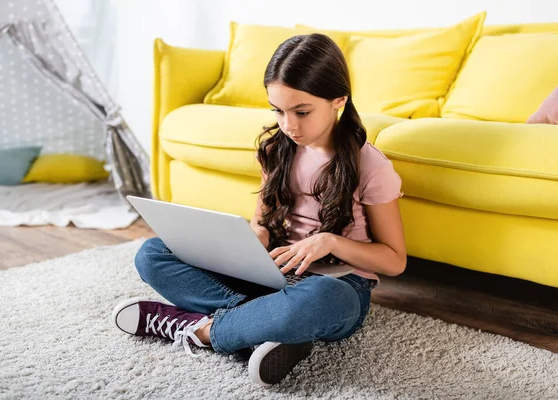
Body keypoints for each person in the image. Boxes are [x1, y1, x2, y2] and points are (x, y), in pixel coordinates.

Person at [112, 33, 406, 386]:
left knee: (325, 300)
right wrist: (255, 236)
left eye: (302, 112)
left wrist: (329, 242)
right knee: (153, 253)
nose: (289, 125)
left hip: (338, 284)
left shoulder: (371, 166)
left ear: (338, 100)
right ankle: (264, 328)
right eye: (278, 111)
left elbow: (394, 260)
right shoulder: (276, 149)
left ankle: (202, 330)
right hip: (267, 275)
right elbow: (261, 220)